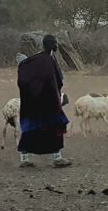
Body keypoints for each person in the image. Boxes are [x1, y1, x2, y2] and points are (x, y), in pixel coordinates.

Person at [16, 34, 71, 168]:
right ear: (55, 45)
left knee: (31, 129)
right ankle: (57, 158)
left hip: (33, 102)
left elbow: (24, 71)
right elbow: (57, 81)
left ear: (43, 45)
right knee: (54, 128)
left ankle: (24, 158)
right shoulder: (50, 60)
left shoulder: (35, 60)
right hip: (49, 103)